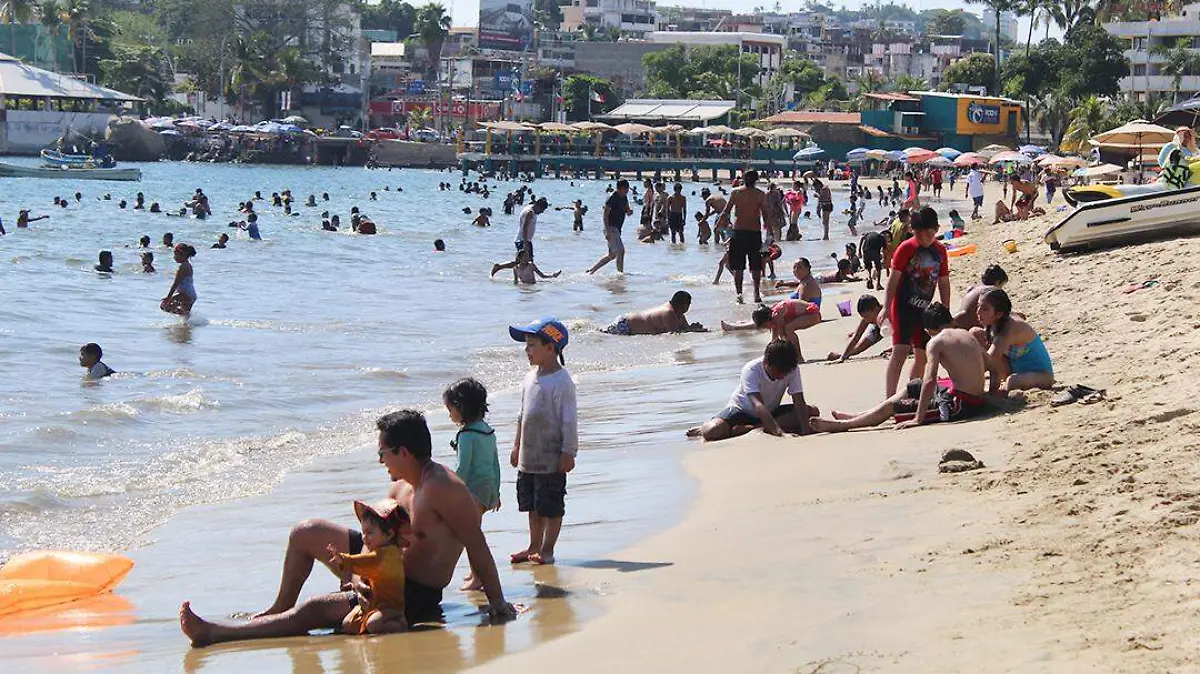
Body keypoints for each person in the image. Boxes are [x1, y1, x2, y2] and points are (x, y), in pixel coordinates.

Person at [242, 410, 516, 625]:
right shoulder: (399, 486)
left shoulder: (446, 488)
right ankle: (280, 608)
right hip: (380, 566)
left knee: (315, 609)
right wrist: (360, 577)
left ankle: (218, 634)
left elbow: (476, 543)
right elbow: (373, 535)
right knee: (305, 532)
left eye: (382, 453)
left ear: (404, 452)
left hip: (411, 591)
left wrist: (498, 602)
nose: (380, 461)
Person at [810, 302, 988, 432]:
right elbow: (993, 366)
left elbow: (930, 379)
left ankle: (843, 426)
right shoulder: (967, 334)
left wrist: (918, 418)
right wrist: (991, 393)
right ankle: (860, 415)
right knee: (913, 386)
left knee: (896, 408)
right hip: (970, 397)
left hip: (959, 406)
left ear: (927, 330)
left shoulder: (936, 342)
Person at [507, 318, 577, 566]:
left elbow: (569, 420)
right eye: (526, 345)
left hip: (551, 457)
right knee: (532, 506)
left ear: (551, 347)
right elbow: (521, 415)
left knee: (551, 505)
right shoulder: (528, 378)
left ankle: (547, 548)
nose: (527, 350)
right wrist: (516, 446)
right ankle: (533, 545)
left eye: (532, 345)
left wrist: (568, 451)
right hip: (529, 456)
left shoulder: (562, 381)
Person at [685, 339, 816, 441]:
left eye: (785, 372)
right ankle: (705, 427)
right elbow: (758, 405)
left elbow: (798, 400)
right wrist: (780, 433)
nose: (782, 376)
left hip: (770, 412)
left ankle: (751, 429)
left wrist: (806, 431)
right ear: (766, 363)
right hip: (742, 410)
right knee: (711, 432)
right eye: (779, 372)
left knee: (812, 412)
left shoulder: (792, 369)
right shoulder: (751, 369)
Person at [883, 206, 950, 397]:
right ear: (913, 231)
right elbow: (893, 279)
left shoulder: (939, 251)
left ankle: (911, 395)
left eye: (930, 234)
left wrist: (945, 308)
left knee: (923, 355)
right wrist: (886, 307)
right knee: (900, 352)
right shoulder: (906, 248)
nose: (925, 238)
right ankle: (890, 398)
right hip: (903, 307)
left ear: (936, 229)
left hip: (925, 310)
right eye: (920, 234)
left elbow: (944, 282)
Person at [444, 378, 501, 591]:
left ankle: (478, 577)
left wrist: (448, 492)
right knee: (475, 532)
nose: (449, 415)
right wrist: (496, 492)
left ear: (461, 408)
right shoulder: (487, 431)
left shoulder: (466, 435)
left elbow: (462, 469)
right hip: (487, 490)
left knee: (471, 536)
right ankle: (474, 573)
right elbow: (494, 463)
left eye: (450, 410)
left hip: (472, 492)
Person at [327, 500, 410, 636]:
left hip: (391, 608)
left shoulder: (387, 555)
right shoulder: (380, 553)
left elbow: (365, 562)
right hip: (376, 605)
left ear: (389, 534)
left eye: (369, 533)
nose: (364, 539)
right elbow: (367, 571)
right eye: (363, 533)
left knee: (374, 623)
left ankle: (398, 624)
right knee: (348, 623)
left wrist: (343, 558)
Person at [973, 288, 1055, 394]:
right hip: (1014, 368)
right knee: (975, 333)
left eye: (985, 309)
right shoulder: (1000, 319)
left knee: (1012, 382)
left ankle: (998, 391)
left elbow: (988, 362)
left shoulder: (1008, 331)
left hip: (1041, 375)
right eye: (978, 306)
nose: (978, 312)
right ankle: (995, 390)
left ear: (998, 314)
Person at [716, 170, 768, 304]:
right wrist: (770, 233)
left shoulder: (736, 192)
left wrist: (718, 225)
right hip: (754, 233)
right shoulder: (760, 194)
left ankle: (739, 294)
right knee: (755, 266)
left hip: (738, 232)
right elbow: (766, 215)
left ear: (743, 179)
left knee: (738, 267)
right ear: (756, 180)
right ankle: (756, 293)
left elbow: (726, 212)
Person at [600, 291, 705, 335]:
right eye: (689, 304)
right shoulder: (669, 313)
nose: (689, 306)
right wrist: (693, 330)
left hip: (628, 325)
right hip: (625, 325)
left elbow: (685, 329)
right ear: (683, 305)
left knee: (602, 332)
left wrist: (693, 328)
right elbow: (674, 333)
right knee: (600, 334)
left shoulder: (678, 313)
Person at [491, 198, 547, 277]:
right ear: (538, 206)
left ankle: (526, 279)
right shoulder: (530, 213)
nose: (542, 212)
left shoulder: (529, 208)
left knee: (522, 262)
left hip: (523, 239)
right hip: (524, 240)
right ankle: (531, 279)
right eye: (542, 210)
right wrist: (526, 243)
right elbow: (525, 227)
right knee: (525, 262)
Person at [588, 179, 631, 274]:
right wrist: (607, 230)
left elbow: (627, 209)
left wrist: (629, 211)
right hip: (611, 227)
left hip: (617, 229)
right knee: (621, 251)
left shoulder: (624, 197)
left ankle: (591, 271)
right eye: (626, 189)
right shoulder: (612, 197)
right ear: (620, 188)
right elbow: (605, 214)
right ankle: (620, 274)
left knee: (612, 255)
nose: (627, 191)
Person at [828, 295, 886, 362]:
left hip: (892, 328)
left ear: (876, 309)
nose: (866, 320)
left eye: (867, 316)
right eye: (863, 317)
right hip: (877, 328)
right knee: (859, 347)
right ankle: (841, 354)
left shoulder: (889, 313)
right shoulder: (867, 319)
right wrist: (843, 357)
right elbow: (856, 337)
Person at [954, 264, 1008, 329]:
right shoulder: (991, 291)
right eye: (1001, 286)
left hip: (955, 323)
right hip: (969, 329)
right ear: (998, 282)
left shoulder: (972, 289)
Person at [160, 244, 197, 317]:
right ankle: (188, 322)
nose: (174, 257)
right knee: (185, 319)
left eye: (175, 255)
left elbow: (175, 283)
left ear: (182, 255)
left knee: (163, 306)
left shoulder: (182, 267)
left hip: (185, 294)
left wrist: (168, 297)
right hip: (191, 294)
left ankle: (186, 314)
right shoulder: (188, 265)